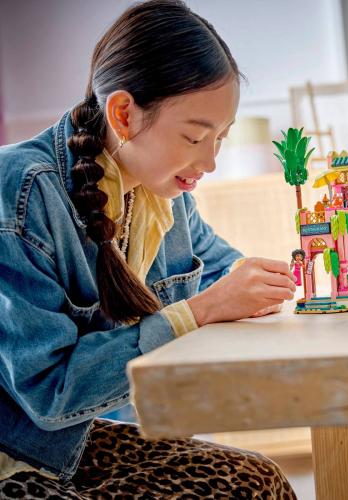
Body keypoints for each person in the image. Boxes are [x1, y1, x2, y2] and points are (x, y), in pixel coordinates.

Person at [0, 1, 298, 497]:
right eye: (195, 137)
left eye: (220, 138)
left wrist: (258, 282)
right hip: (17, 455)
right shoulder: (21, 191)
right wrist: (200, 311)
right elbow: (49, 393)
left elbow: (221, 268)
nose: (210, 161)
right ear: (123, 114)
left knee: (257, 480)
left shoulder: (163, 195)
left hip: (71, 445)